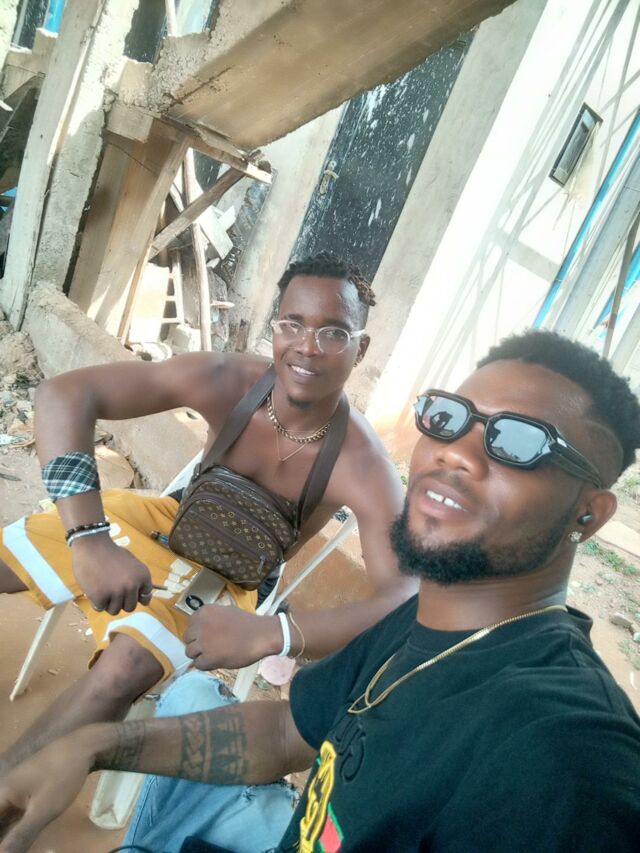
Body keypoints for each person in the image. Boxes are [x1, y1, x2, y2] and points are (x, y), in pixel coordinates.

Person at [1, 329, 639, 853]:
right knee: (190, 693)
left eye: (519, 442)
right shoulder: (427, 622)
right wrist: (95, 745)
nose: (457, 454)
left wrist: (274, 632)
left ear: (590, 513)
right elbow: (286, 734)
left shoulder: (566, 754)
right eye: (448, 418)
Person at [0, 252, 414, 774]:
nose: (307, 346)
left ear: (361, 347)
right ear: (275, 327)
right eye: (293, 324)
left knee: (124, 668)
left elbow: (405, 597)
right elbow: (66, 394)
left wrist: (275, 634)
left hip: (230, 578)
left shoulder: (364, 465)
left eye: (334, 332)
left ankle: (8, 798)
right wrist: (89, 538)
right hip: (167, 522)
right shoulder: (230, 380)